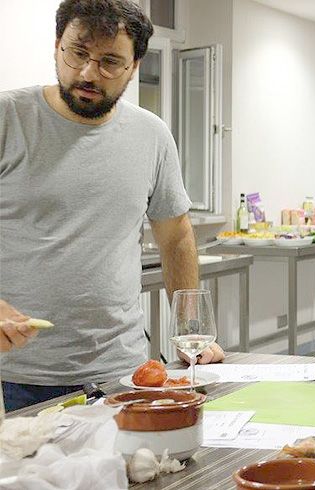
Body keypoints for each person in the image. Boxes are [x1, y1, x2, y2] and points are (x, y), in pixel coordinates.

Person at [0, 0, 223, 412]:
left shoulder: (151, 135)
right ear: (56, 46)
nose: (88, 73)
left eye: (109, 62)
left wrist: (191, 329)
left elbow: (175, 236)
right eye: (78, 53)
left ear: (134, 66)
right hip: (18, 375)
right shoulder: (8, 118)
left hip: (123, 372)